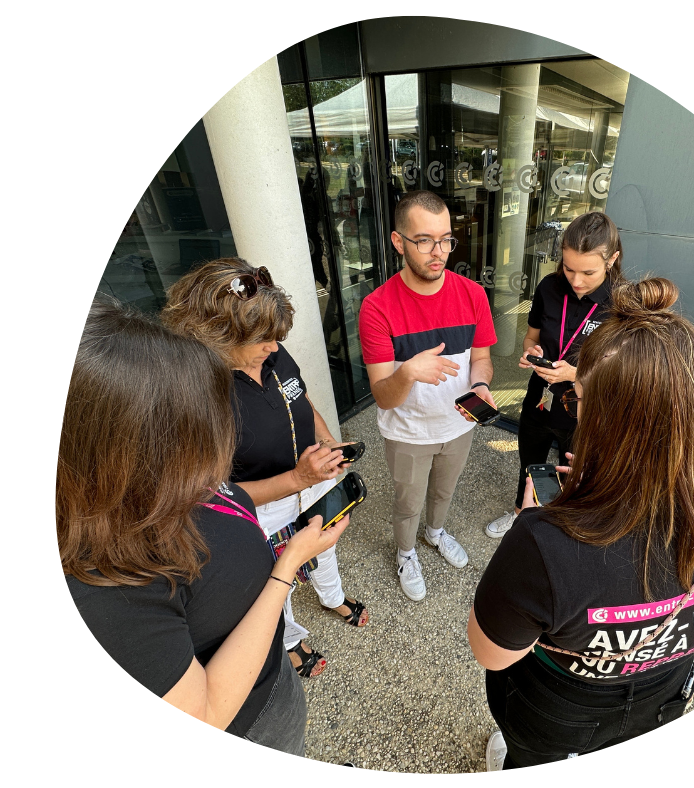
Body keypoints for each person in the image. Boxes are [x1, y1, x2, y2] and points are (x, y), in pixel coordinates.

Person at [468, 278, 694, 769]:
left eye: (577, 401)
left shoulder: (543, 543)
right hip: (665, 694)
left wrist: (537, 520)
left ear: (603, 419)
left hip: (557, 705)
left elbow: (493, 655)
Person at [60, 298, 348, 754]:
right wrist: (288, 562)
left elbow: (228, 497)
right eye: (185, 424)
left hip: (270, 677)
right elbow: (206, 709)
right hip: (250, 722)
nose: (210, 447)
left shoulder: (160, 484)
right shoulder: (102, 584)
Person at [162, 258, 369, 680]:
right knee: (277, 579)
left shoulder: (271, 350)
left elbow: (301, 399)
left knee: (324, 545)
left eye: (277, 337)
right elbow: (212, 496)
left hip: (308, 481)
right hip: (258, 508)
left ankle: (333, 597)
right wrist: (298, 479)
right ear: (218, 335)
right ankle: (291, 638)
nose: (275, 348)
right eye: (263, 339)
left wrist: (328, 443)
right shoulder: (193, 397)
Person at [358, 190, 497, 602]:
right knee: (407, 502)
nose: (438, 253)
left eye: (446, 239)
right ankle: (405, 553)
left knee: (444, 492)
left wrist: (482, 386)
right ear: (398, 241)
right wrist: (408, 372)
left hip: (460, 422)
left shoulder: (472, 294)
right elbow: (384, 396)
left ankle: (435, 534)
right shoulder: (376, 308)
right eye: (424, 241)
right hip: (407, 431)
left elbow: (483, 358)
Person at [484, 211, 625, 539]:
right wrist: (532, 352)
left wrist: (577, 372)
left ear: (612, 259)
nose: (576, 280)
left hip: (585, 408)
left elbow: (623, 371)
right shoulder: (549, 287)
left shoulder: (621, 303)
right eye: (568, 268)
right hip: (540, 397)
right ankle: (523, 513)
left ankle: (559, 527)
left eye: (588, 272)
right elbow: (532, 337)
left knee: (574, 473)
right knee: (533, 464)